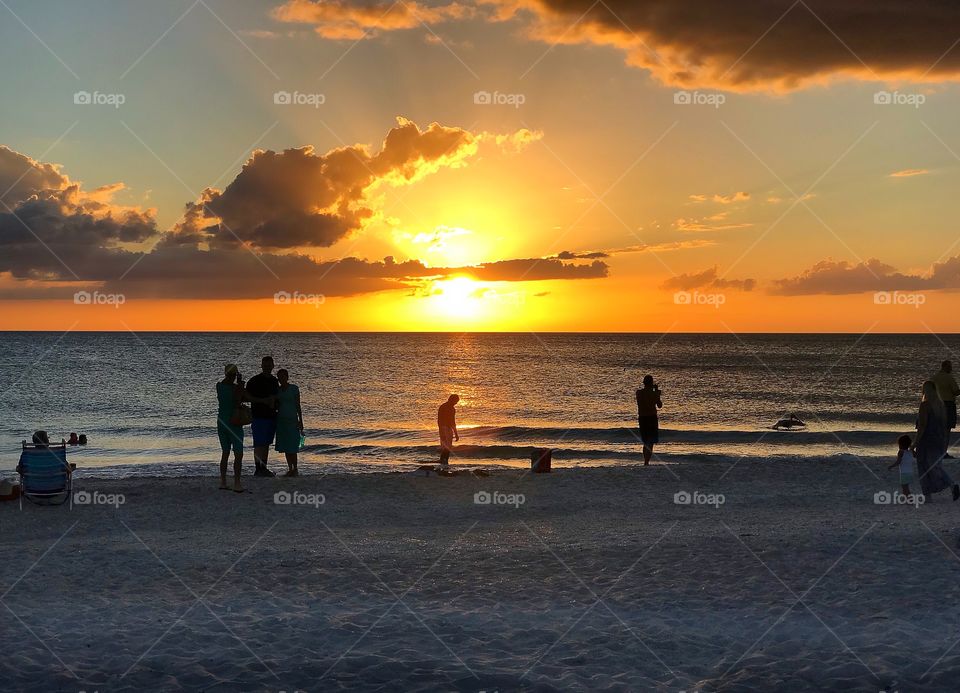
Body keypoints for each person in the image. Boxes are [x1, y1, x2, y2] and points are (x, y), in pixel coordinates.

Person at [914, 380, 960, 502]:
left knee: (923, 466)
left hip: (926, 440)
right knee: (935, 466)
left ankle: (928, 496)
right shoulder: (941, 405)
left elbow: (922, 425)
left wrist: (915, 443)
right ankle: (951, 484)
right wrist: (945, 441)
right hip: (939, 439)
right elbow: (944, 425)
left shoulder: (925, 405)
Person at [246, 356, 280, 477]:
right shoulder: (255, 380)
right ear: (261, 366)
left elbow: (278, 396)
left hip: (271, 416)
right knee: (259, 443)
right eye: (265, 365)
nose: (267, 367)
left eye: (269, 365)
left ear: (273, 366)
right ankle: (258, 468)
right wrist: (263, 401)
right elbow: (246, 397)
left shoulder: (274, 381)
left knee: (266, 443)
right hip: (259, 415)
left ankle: (263, 468)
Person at [217, 364, 246, 492]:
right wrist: (241, 384)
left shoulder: (219, 386)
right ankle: (237, 483)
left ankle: (223, 482)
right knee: (238, 454)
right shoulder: (235, 388)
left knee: (225, 452)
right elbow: (239, 399)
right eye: (234, 375)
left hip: (221, 422)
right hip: (234, 422)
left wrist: (238, 384)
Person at [275, 368, 304, 477]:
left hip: (292, 420)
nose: (281, 379)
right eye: (279, 377)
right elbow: (276, 404)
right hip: (281, 421)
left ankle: (295, 468)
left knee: (292, 445)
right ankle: (290, 468)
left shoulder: (294, 389)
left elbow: (298, 405)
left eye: (283, 376)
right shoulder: (277, 390)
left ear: (287, 377)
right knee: (286, 445)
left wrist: (301, 421)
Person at [933, 360, 960, 458]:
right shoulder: (949, 378)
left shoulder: (934, 378)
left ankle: (936, 451)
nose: (951, 369)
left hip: (936, 405)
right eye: (950, 367)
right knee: (946, 430)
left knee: (937, 429)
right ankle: (943, 452)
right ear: (945, 367)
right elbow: (956, 392)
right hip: (948, 404)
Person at [636, 375, 663, 465]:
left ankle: (645, 461)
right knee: (650, 441)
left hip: (642, 418)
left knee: (645, 441)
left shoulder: (639, 393)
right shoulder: (654, 393)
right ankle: (646, 461)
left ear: (644, 383)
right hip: (651, 418)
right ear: (651, 383)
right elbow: (659, 405)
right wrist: (656, 391)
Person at [437, 395, 460, 467]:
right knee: (447, 446)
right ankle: (444, 461)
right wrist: (455, 433)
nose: (456, 403)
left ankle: (444, 461)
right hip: (445, 427)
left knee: (447, 446)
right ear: (451, 400)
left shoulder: (448, 407)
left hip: (446, 428)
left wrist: (456, 433)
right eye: (455, 401)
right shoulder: (446, 407)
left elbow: (452, 421)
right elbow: (443, 420)